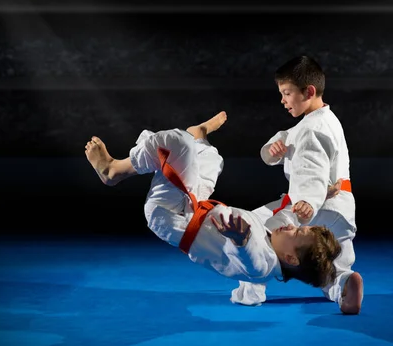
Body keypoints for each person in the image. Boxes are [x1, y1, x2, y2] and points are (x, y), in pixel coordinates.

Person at [84, 111, 342, 291]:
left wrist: (240, 241)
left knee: (176, 142)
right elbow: (286, 212)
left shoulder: (262, 263)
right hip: (197, 202)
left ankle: (112, 170)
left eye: (296, 233)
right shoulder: (275, 237)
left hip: (168, 214)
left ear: (291, 259)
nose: (291, 227)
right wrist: (319, 194)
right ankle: (200, 136)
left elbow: (249, 259)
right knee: (211, 159)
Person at [231, 56, 364, 314]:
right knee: (332, 264)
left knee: (255, 230)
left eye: (287, 93)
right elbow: (277, 148)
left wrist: (307, 202)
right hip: (342, 209)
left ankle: (251, 291)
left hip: (312, 207)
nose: (283, 100)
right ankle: (344, 284)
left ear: (309, 91)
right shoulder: (325, 121)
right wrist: (273, 151)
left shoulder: (310, 130)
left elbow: (310, 169)